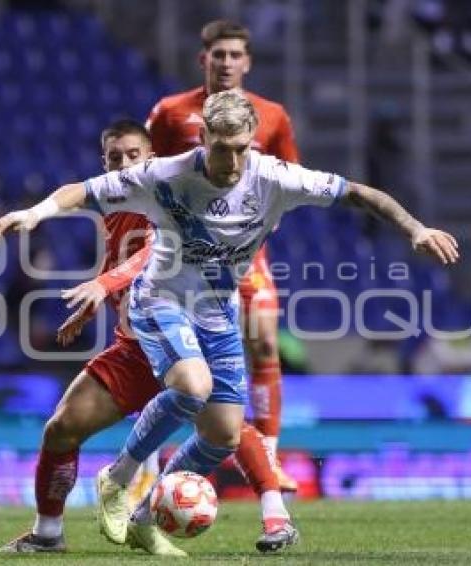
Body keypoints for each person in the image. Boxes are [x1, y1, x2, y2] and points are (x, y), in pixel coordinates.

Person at [0, 89, 458, 556]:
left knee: (224, 434)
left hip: (216, 317)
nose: (233, 161)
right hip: (160, 303)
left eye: (242, 148)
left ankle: (145, 512)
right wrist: (35, 213)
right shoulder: (166, 174)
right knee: (192, 385)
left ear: (253, 141)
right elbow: (84, 192)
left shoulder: (274, 177)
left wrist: (416, 227)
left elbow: (358, 192)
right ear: (204, 136)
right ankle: (119, 478)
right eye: (222, 147)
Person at [0, 120, 298, 556]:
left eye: (133, 156)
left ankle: (272, 513)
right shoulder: (113, 206)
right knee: (61, 429)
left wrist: (104, 282)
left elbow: (154, 253)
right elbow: (87, 207)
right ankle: (47, 534)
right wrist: (98, 295)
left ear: (151, 159)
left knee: (226, 430)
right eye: (114, 158)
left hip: (186, 335)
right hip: (135, 345)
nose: (124, 164)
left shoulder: (174, 192)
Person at [146, 20, 299, 489]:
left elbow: (289, 180)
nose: (227, 63)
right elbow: (148, 176)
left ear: (248, 62)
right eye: (219, 55)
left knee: (266, 341)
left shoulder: (271, 116)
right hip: (181, 258)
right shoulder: (172, 114)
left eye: (235, 55)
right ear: (203, 60)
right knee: (167, 354)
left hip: (242, 257)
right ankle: (150, 461)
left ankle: (269, 457)